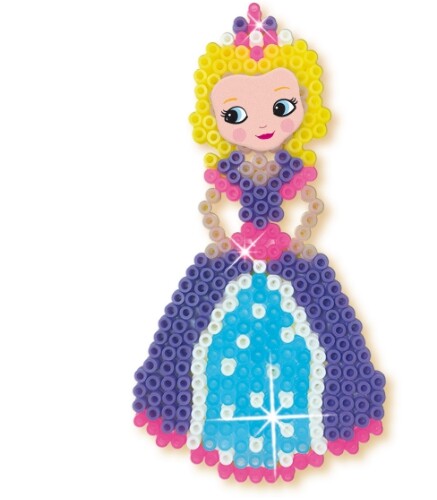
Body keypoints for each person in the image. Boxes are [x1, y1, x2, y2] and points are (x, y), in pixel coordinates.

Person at [133, 3, 385, 483]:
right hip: (239, 252)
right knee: (193, 325)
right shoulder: (229, 169)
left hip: (284, 255)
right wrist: (220, 237)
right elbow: (210, 206)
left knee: (325, 327)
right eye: (235, 114)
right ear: (215, 118)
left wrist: (301, 239)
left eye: (281, 107)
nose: (262, 124)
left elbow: (312, 203)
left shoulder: (292, 168)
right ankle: (192, 410)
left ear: (303, 107)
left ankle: (327, 415)